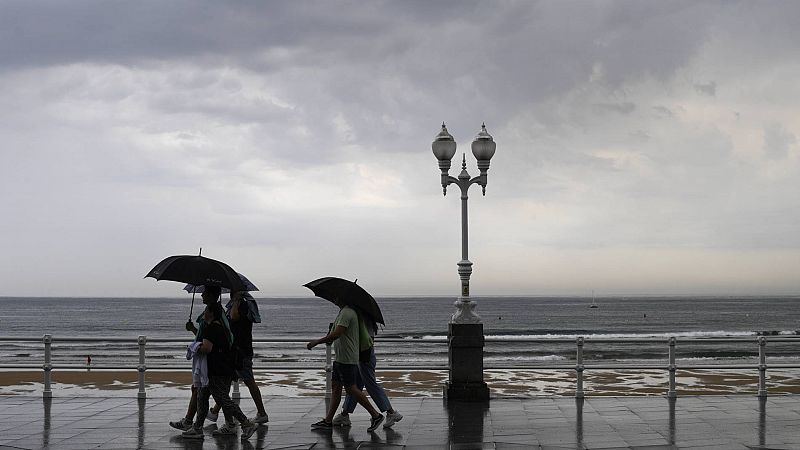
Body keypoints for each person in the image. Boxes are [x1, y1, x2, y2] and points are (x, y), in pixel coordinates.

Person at [181, 302, 257, 441]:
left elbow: (207, 348)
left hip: (216, 369)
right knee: (202, 397)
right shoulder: (222, 327)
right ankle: (197, 428)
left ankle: (246, 423)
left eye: (205, 310)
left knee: (223, 399)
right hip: (221, 368)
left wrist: (194, 347)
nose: (203, 313)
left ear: (211, 313)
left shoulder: (212, 328)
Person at [307, 298, 384, 432]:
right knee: (336, 387)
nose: (334, 298)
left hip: (347, 359)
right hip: (340, 358)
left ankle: (376, 415)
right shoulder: (343, 312)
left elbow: (338, 333)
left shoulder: (348, 312)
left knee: (351, 389)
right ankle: (328, 420)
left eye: (336, 296)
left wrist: (317, 342)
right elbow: (335, 332)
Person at [169, 285, 234, 431]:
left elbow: (209, 341)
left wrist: (196, 347)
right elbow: (207, 337)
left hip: (213, 362)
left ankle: (192, 423)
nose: (201, 295)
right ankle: (195, 424)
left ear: (211, 296)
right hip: (217, 361)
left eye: (204, 293)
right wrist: (193, 329)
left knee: (217, 395)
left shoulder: (213, 314)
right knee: (207, 393)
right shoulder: (217, 313)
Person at [206, 291, 269, 431]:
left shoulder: (243, 305)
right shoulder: (235, 305)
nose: (230, 293)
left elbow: (234, 318)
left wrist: (236, 301)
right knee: (230, 380)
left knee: (248, 380)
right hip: (235, 350)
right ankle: (215, 411)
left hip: (242, 351)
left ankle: (261, 413)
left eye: (233, 291)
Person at [332, 311, 402, 428]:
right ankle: (344, 414)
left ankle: (391, 412)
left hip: (364, 356)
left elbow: (366, 340)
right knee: (355, 387)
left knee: (370, 384)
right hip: (362, 356)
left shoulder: (362, 318)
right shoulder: (365, 318)